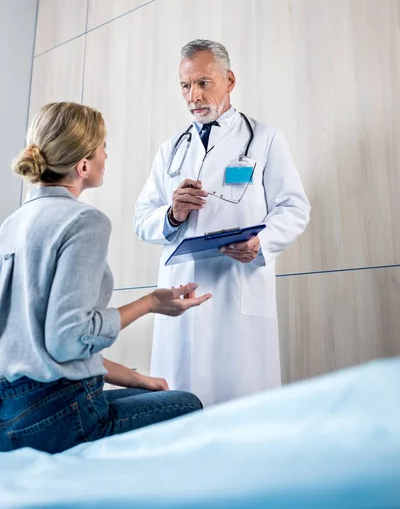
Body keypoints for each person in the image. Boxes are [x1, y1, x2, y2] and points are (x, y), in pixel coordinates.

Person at [0, 101, 211, 454]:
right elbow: (69, 338)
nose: (106, 157)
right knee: (188, 406)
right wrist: (150, 303)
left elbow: (44, 346)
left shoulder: (13, 224)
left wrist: (135, 378)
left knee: (158, 393)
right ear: (83, 165)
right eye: (103, 148)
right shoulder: (83, 221)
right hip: (59, 415)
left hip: (10, 413)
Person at [135, 39, 310, 407]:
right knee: (179, 411)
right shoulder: (171, 149)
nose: (193, 95)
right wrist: (172, 214)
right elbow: (142, 219)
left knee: (240, 411)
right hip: (181, 295)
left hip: (237, 288)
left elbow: (294, 207)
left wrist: (261, 243)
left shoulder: (264, 138)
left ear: (229, 80)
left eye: (203, 82)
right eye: (185, 86)